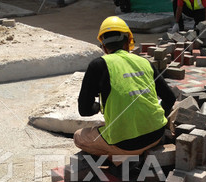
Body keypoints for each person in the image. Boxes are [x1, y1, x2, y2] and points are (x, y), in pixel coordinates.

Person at [74, 16, 176, 170]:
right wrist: (158, 117)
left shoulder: (98, 65)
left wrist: (99, 107)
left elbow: (84, 110)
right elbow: (170, 98)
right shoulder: (145, 62)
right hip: (156, 135)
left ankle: (122, 158)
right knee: (111, 126)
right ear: (128, 41)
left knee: (79, 136)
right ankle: (139, 154)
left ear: (103, 46)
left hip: (125, 144)